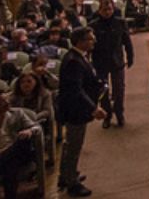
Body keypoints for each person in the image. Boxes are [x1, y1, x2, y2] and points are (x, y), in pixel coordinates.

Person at [57, 27, 107, 197]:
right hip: (75, 111)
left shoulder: (78, 57)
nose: (93, 41)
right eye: (90, 39)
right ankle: (71, 183)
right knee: (73, 146)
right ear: (80, 41)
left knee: (70, 144)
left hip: (76, 109)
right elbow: (76, 90)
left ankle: (66, 175)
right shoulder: (73, 61)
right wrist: (94, 108)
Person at [0, 90, 42, 199]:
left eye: (7, 99)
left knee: (22, 141)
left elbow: (37, 127)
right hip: (0, 158)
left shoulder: (17, 113)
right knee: (10, 164)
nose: (7, 103)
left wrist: (29, 131)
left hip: (20, 151)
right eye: (2, 102)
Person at [89, 0, 133, 128]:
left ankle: (119, 113)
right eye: (104, 10)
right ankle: (107, 115)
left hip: (117, 60)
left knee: (119, 89)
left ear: (113, 9)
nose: (107, 12)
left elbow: (127, 42)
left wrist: (130, 57)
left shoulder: (120, 23)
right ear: (99, 10)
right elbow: (90, 45)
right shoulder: (93, 25)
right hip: (100, 61)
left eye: (109, 9)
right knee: (103, 90)